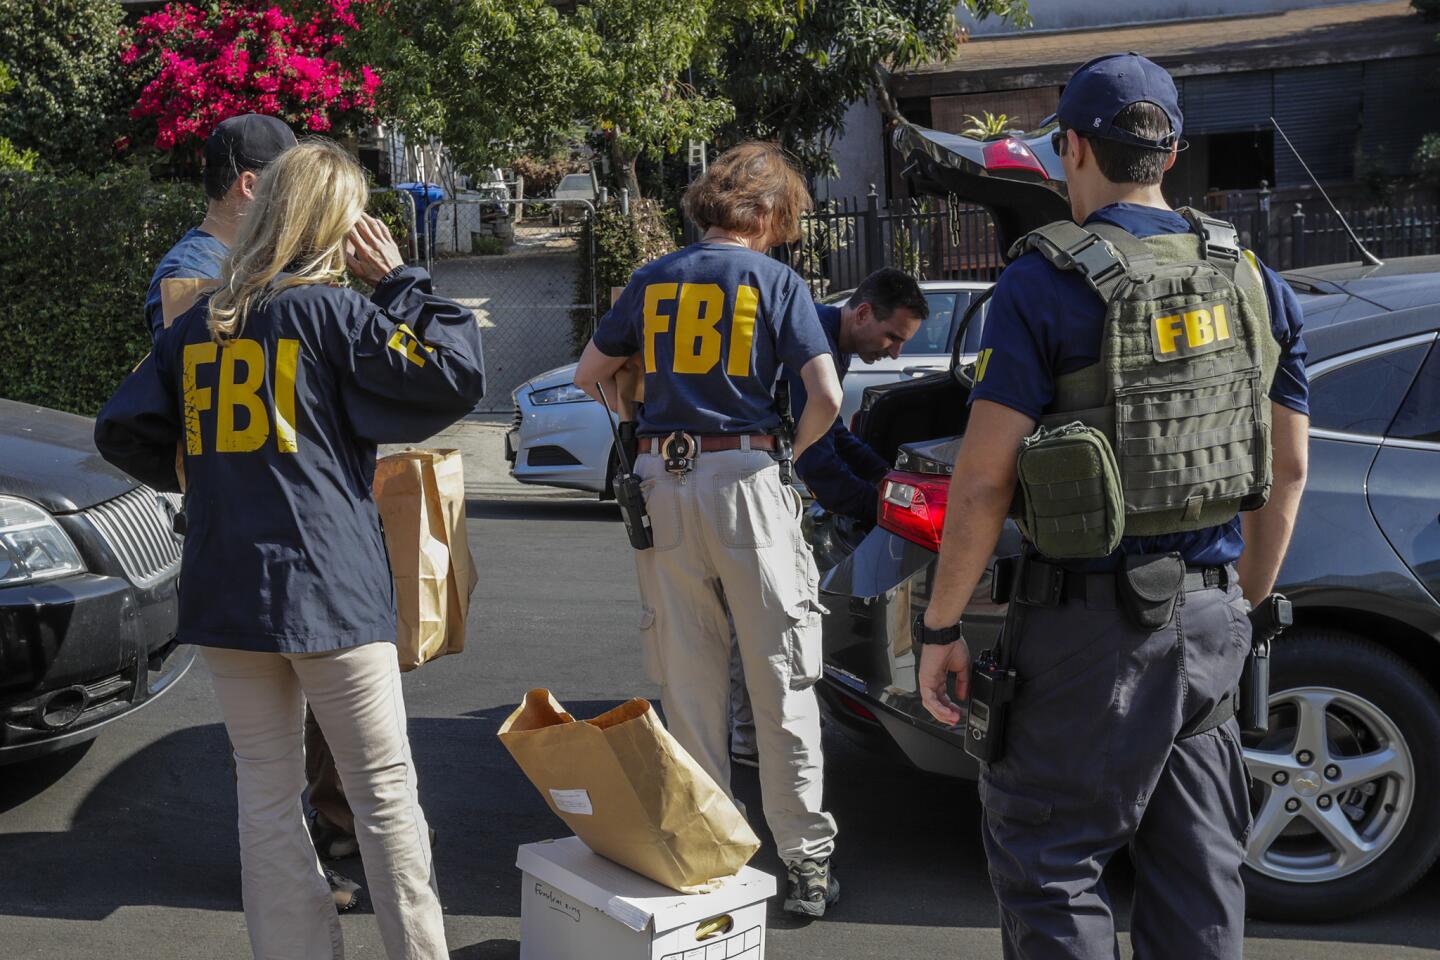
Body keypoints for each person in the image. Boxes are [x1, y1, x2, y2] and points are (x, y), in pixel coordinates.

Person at [913, 53, 1309, 959]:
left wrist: (940, 628)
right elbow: (1288, 470)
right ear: (1169, 154)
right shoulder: (1252, 279)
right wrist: (1240, 605)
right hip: (1211, 620)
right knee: (1198, 873)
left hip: (1088, 635)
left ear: (1073, 147)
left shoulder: (1044, 283)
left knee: (1052, 863)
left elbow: (984, 479)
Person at [96, 138, 485, 960]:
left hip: (228, 591)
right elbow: (453, 374)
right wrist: (401, 280)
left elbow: (121, 430)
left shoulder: (199, 323)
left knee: (266, 800)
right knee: (385, 797)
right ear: (331, 224)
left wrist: (208, 476)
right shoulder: (329, 313)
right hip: (328, 589)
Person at [573, 141, 846, 918]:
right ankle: (805, 861)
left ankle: (714, 851)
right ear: (766, 212)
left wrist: (637, 428)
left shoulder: (652, 279)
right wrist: (788, 458)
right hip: (746, 478)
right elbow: (825, 395)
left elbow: (591, 373)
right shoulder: (775, 281)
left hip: (663, 482)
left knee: (690, 683)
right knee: (779, 674)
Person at [144, 113, 364, 910]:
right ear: (250, 186)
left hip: (271, 517)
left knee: (303, 710)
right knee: (276, 729)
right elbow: (175, 403)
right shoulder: (198, 274)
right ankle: (296, 865)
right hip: (254, 524)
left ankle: (329, 835)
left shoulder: (240, 270)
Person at [729, 267, 929, 766]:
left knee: (753, 615)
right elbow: (816, 457)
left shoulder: (827, 339)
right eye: (892, 336)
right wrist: (881, 507)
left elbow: (833, 432)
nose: (895, 353)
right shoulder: (811, 338)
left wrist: (887, 479)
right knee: (759, 615)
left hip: (744, 481)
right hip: (740, 484)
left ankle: (745, 728)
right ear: (862, 313)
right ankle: (748, 737)